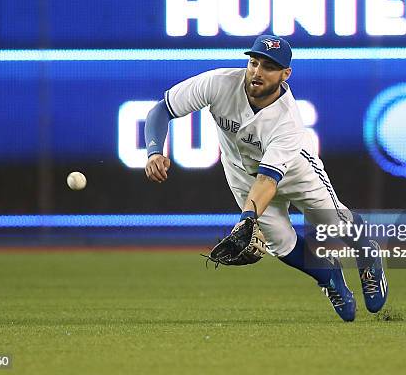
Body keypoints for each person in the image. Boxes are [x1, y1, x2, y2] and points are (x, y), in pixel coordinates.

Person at [144, 34, 387, 321]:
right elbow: (161, 110)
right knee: (281, 244)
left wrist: (247, 219)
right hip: (241, 173)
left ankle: (366, 252)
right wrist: (154, 152)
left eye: (269, 67)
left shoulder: (287, 121)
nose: (258, 71)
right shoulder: (218, 83)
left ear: (286, 74)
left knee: (332, 221)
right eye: (254, 62)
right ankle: (328, 275)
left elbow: (268, 181)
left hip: (295, 169)